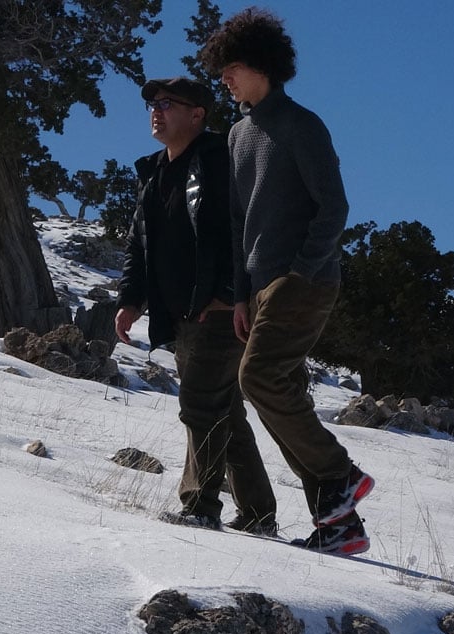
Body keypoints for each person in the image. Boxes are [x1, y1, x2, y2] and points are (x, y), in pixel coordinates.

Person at [201, 8, 374, 555]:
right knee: (281, 388)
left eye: (229, 67)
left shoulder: (303, 125)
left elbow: (334, 206)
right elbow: (236, 223)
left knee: (260, 379)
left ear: (261, 64)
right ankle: (338, 526)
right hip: (258, 287)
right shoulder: (236, 135)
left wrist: (301, 270)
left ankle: (339, 474)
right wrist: (240, 293)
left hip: (304, 279)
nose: (223, 79)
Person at [115, 76, 278, 536]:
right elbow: (139, 246)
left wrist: (230, 293)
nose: (156, 110)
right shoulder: (154, 172)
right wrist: (131, 300)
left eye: (167, 103)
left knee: (201, 406)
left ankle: (200, 506)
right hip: (181, 310)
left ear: (198, 113)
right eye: (151, 103)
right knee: (223, 410)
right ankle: (259, 514)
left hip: (221, 310)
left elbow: (243, 229)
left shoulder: (218, 160)